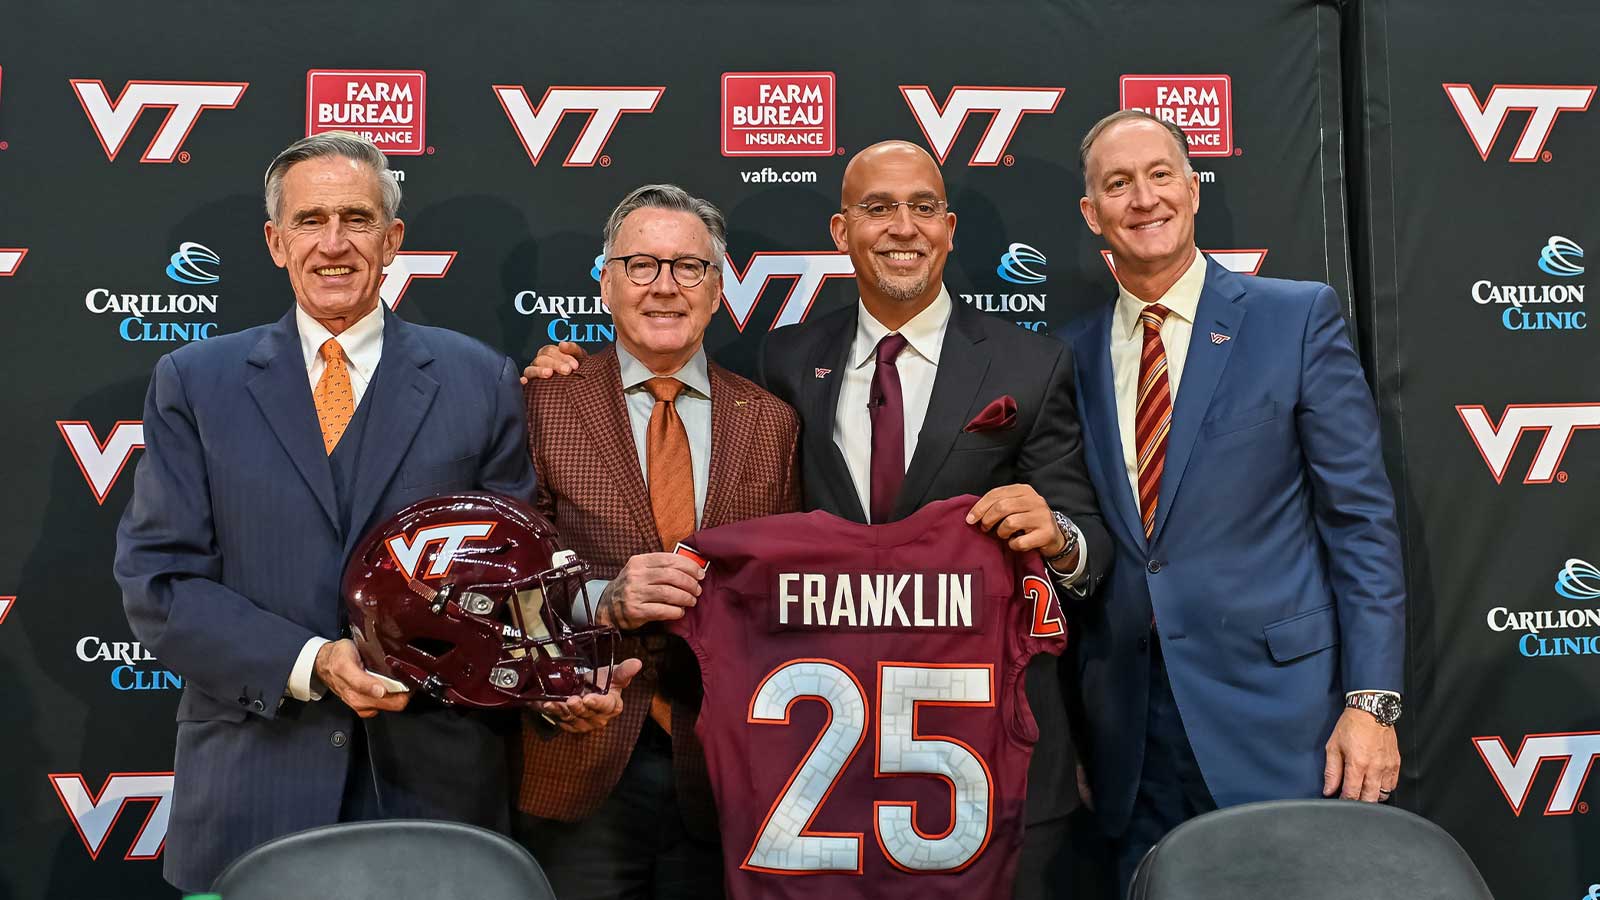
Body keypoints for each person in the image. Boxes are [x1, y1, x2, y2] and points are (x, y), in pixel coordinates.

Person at [527, 141, 1111, 899]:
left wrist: (1060, 537)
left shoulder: (1033, 366)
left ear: (949, 226)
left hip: (967, 740)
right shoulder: (785, 365)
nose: (902, 227)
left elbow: (1089, 549)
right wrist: (559, 371)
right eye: (878, 208)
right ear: (841, 232)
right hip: (797, 750)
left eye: (922, 207)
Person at [113, 132, 635, 893]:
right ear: (274, 241)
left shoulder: (477, 378)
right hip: (255, 787)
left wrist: (555, 687)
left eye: (356, 220)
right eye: (309, 220)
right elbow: (162, 582)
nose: (333, 244)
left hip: (437, 790)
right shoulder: (196, 382)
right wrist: (313, 662)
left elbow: (513, 584)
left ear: (392, 240)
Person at [1059, 109, 1405, 889]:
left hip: (1285, 723)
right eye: (1118, 184)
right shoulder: (1068, 354)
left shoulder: (1294, 317)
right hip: (1130, 738)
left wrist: (1373, 703)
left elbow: (1361, 524)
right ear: (1093, 214)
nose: (1143, 199)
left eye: (1159, 175)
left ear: (1192, 187)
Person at [514, 184, 801, 899]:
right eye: (641, 265)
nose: (665, 286)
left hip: (728, 767)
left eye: (689, 267)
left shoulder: (772, 423)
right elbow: (498, 575)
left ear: (718, 289)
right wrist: (600, 598)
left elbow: (791, 592)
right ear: (606, 283)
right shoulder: (539, 401)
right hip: (580, 755)